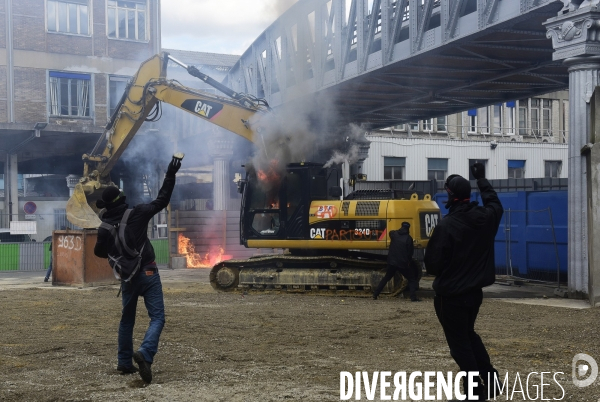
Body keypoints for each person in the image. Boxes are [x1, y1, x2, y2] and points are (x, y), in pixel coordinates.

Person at [94, 155, 182, 383]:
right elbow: (162, 200)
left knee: (127, 320)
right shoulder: (137, 214)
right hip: (149, 271)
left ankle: (124, 362)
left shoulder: (103, 228)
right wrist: (170, 175)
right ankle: (145, 352)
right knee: (157, 317)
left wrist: (121, 256)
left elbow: (99, 253)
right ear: (121, 200)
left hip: (127, 277)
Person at [424, 163, 503, 400]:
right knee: (468, 334)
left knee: (459, 344)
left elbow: (433, 266)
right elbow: (495, 205)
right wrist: (482, 179)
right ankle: (490, 380)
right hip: (474, 295)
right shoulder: (486, 219)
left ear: (450, 195)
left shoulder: (446, 226)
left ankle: (475, 390)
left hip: (451, 297)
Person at [373, 222, 419, 301]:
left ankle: (375, 294)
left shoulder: (394, 235)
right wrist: (408, 262)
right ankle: (413, 298)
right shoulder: (408, 238)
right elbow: (410, 253)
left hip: (392, 262)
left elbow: (391, 232)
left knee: (386, 278)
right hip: (402, 263)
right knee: (411, 279)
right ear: (408, 229)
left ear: (401, 227)